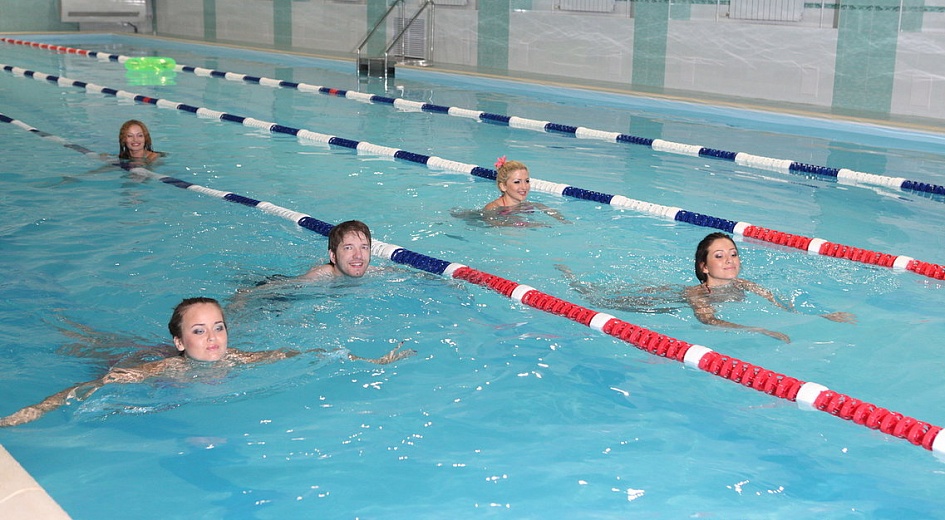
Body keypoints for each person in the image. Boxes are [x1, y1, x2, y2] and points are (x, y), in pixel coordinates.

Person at [0, 297, 415, 427]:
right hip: (138, 358)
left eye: (218, 327)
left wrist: (369, 361)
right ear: (180, 342)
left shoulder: (237, 359)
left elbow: (303, 355)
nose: (213, 338)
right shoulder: (164, 367)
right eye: (199, 331)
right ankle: (72, 330)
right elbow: (88, 388)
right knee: (90, 346)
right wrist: (33, 411)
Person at [683, 232, 856, 343]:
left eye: (733, 254)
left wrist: (822, 314)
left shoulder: (742, 284)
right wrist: (758, 330)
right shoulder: (697, 294)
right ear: (704, 267)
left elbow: (777, 299)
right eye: (719, 256)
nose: (730, 260)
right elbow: (709, 320)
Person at [482, 156, 568, 226]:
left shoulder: (527, 205)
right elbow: (493, 223)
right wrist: (527, 225)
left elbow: (548, 209)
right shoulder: (492, 208)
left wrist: (563, 220)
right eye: (517, 182)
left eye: (527, 181)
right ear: (503, 186)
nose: (524, 187)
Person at [299, 220, 373, 280]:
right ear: (333, 256)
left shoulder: (372, 273)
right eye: (348, 248)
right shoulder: (316, 279)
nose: (358, 255)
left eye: (364, 247)